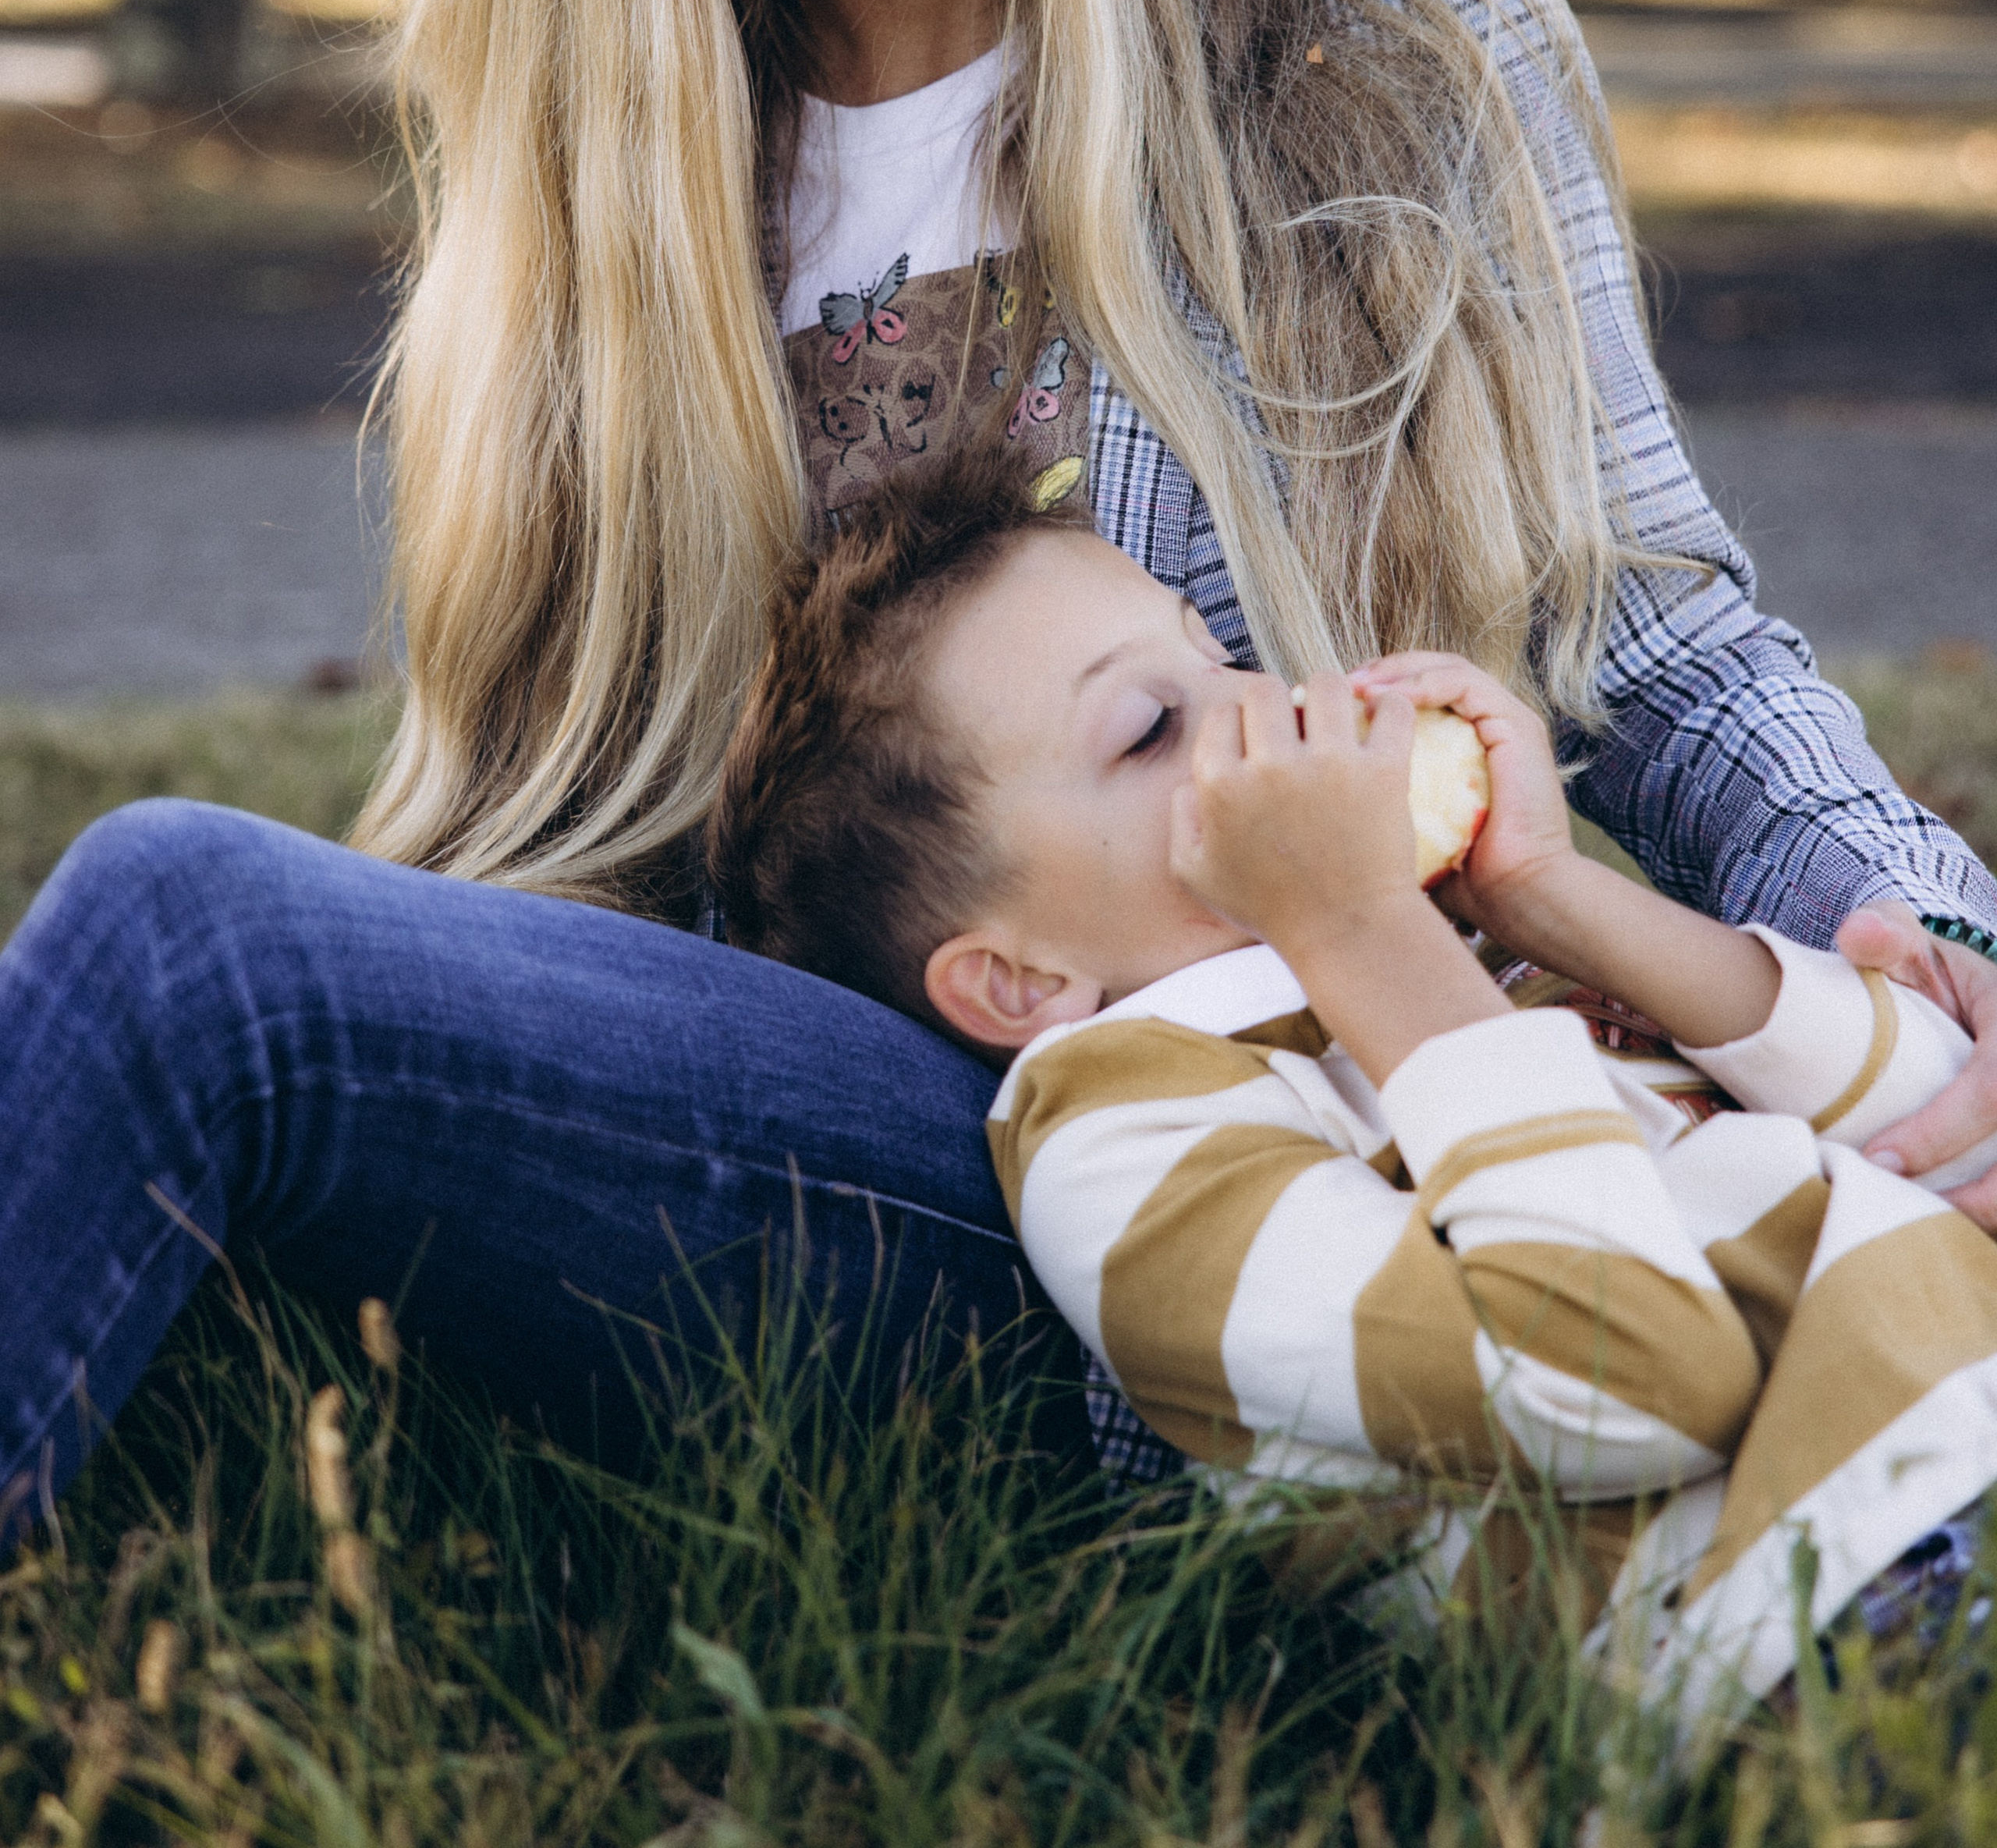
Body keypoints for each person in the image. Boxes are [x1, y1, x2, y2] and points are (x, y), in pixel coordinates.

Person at [5, 0, 1997, 1533]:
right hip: (872, 1152)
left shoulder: (1384, 10)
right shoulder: (615, 162)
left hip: (1297, 1164)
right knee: (191, 944)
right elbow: (560, 828)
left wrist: (1932, 962)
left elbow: (1652, 631)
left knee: (166, 931)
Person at [708, 449, 1997, 1730]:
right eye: (1152, 728)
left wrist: (1556, 900)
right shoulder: (1126, 1135)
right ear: (1018, 982)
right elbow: (1629, 1376)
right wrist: (1367, 931)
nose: (1267, 711)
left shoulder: (1443, 986)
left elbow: (1935, 1121)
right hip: (1870, 1598)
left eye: (1220, 652)